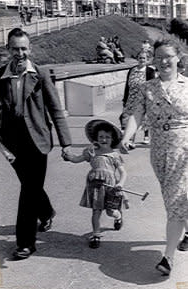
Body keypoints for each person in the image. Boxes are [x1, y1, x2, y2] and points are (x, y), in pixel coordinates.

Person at [0, 28, 72, 259]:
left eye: (24, 48)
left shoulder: (40, 74)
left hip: (38, 139)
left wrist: (66, 143)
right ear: (8, 49)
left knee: (28, 190)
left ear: (30, 48)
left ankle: (25, 243)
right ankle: (46, 212)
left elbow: (56, 109)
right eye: (15, 48)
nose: (20, 53)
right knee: (31, 185)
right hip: (12, 143)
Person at [120, 38, 188, 275]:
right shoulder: (147, 87)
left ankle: (168, 258)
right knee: (176, 198)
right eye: (158, 57)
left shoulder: (187, 86)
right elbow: (137, 114)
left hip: (185, 149)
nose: (163, 61)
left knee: (176, 200)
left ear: (178, 57)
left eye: (168, 56)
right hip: (159, 151)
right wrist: (127, 136)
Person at [63, 119, 127, 249]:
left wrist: (120, 183)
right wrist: (68, 156)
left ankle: (118, 216)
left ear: (112, 139)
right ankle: (96, 234)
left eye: (107, 137)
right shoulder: (91, 152)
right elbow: (76, 159)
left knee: (110, 211)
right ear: (96, 138)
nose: (104, 139)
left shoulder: (114, 155)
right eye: (101, 137)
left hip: (111, 187)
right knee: (96, 211)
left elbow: (123, 173)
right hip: (95, 186)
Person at [120, 50, 156, 148]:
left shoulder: (149, 71)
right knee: (130, 119)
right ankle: (131, 141)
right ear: (137, 59)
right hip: (131, 98)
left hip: (143, 99)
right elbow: (127, 85)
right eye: (140, 58)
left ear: (147, 60)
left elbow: (152, 85)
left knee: (144, 119)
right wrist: (125, 99)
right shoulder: (132, 70)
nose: (142, 60)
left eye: (144, 58)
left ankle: (146, 136)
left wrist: (151, 98)